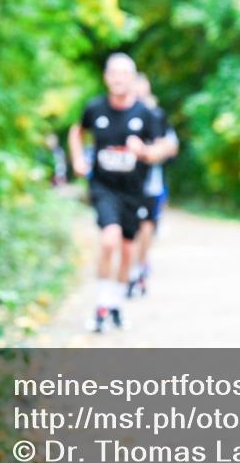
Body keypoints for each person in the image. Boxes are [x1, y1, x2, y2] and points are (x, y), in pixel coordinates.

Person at [67, 53, 175, 332]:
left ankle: (114, 304)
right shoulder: (95, 109)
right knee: (109, 240)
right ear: (106, 77)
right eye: (113, 73)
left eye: (123, 73)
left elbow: (167, 146)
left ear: (132, 78)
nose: (118, 78)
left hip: (134, 191)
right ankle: (101, 304)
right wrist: (78, 159)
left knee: (128, 250)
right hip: (104, 187)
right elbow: (76, 132)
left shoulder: (146, 114)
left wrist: (147, 152)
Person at [128, 73, 179, 297]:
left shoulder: (157, 116)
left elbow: (171, 145)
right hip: (124, 181)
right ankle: (130, 269)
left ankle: (139, 267)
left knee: (146, 225)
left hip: (150, 180)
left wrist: (151, 153)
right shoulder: (120, 113)